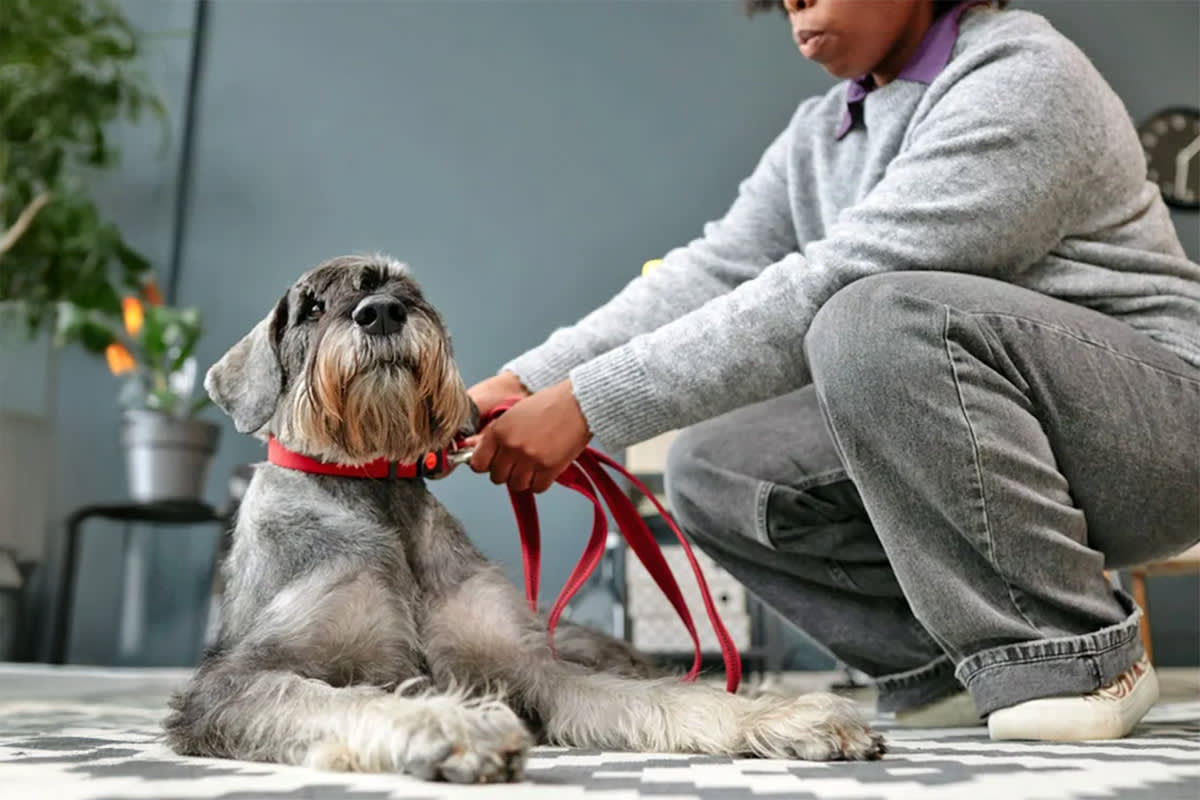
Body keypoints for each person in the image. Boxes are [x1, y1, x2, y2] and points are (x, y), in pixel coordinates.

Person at [459, 0, 1200, 742]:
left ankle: (1074, 658)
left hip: (1161, 435)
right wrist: (529, 380)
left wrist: (587, 404)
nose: (791, 2)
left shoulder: (1023, 77)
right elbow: (714, 271)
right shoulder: (821, 132)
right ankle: (941, 668)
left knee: (870, 315)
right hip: (1005, 433)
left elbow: (841, 278)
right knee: (719, 468)